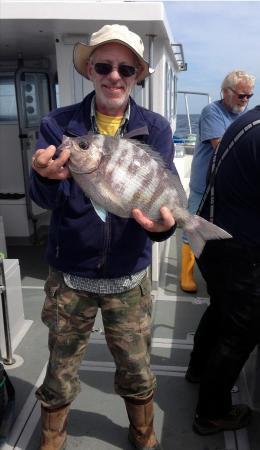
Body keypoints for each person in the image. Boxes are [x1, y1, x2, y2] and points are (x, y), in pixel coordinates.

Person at [29, 24, 176, 450]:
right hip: (70, 276)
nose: (115, 76)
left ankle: (143, 433)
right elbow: (43, 198)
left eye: (126, 68)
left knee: (136, 367)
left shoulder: (157, 128)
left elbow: (157, 202)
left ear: (137, 76)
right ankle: (53, 437)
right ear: (90, 70)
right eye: (105, 66)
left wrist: (165, 226)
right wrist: (46, 175)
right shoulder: (58, 125)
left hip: (128, 277)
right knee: (59, 368)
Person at [185, 104, 260, 435]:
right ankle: (211, 413)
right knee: (241, 331)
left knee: (219, 311)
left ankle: (198, 369)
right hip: (240, 251)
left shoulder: (247, 122)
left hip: (215, 242)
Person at [180, 70, 255, 293]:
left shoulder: (244, 116)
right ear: (225, 92)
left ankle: (214, 270)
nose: (245, 101)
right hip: (203, 186)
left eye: (249, 96)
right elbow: (222, 147)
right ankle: (186, 273)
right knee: (191, 226)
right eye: (241, 95)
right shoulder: (212, 111)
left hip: (226, 189)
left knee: (217, 231)